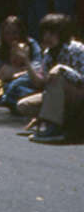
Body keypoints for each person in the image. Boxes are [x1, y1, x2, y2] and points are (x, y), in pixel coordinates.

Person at [17, 14, 84, 142]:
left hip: (79, 95)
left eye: (52, 33)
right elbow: (40, 84)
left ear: (62, 34)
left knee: (57, 71)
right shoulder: (48, 53)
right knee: (24, 105)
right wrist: (26, 61)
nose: (47, 37)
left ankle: (54, 128)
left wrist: (61, 70)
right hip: (60, 97)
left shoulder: (77, 49)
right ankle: (57, 121)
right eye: (45, 33)